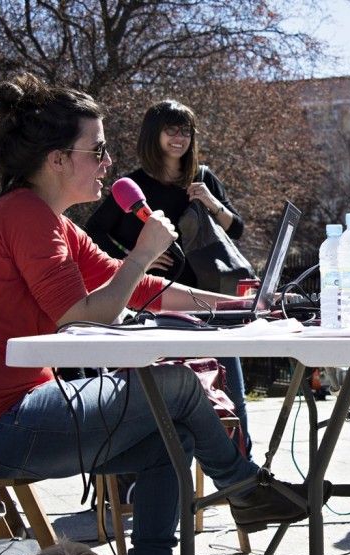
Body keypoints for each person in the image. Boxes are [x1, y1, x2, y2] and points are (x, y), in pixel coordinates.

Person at [0, 73, 319, 555]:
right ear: (59, 159)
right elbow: (84, 312)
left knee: (168, 435)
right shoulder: (25, 219)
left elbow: (132, 290)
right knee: (177, 388)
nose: (108, 162)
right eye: (98, 150)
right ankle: (245, 488)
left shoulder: (47, 220)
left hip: (3, 415)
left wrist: (240, 304)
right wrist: (142, 254)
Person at [85, 100, 253, 456]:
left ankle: (243, 465)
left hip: (209, 301)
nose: (179, 138)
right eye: (171, 130)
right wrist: (133, 258)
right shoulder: (133, 185)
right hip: (157, 306)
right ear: (154, 135)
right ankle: (148, 468)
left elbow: (236, 229)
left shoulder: (203, 177)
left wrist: (211, 202)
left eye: (186, 131)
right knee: (161, 396)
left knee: (231, 392)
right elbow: (93, 231)